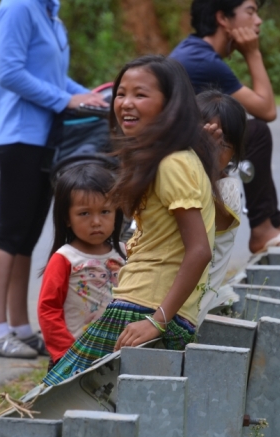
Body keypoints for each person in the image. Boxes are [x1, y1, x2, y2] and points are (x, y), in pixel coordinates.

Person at [43, 55, 220, 386]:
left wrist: (157, 321)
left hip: (144, 307)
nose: (125, 103)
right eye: (121, 93)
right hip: (151, 305)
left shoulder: (172, 163)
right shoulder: (179, 158)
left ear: (171, 105)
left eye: (141, 94)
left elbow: (200, 249)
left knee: (56, 394)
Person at [0, 0, 108, 359]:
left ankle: (20, 328)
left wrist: (90, 98)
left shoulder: (49, 11)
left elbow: (54, 78)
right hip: (20, 135)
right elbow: (10, 72)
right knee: (9, 233)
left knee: (27, 237)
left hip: (47, 138)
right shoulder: (19, 6)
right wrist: (66, 100)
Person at [169, 0, 280, 253]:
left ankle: (273, 223)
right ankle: (263, 229)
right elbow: (267, 110)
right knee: (256, 132)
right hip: (171, 153)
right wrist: (253, 53)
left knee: (246, 129)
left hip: (174, 145)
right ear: (223, 18)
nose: (258, 21)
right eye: (251, 12)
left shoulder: (195, 51)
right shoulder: (203, 60)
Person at [37, 163, 126, 372]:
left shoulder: (125, 252)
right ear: (67, 218)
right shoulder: (65, 258)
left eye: (105, 211)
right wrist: (67, 355)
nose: (96, 222)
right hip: (75, 359)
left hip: (118, 357)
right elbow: (48, 310)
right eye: (84, 214)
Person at [195, 90, 247, 324]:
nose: (212, 151)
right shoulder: (177, 174)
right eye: (205, 142)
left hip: (194, 306)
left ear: (235, 150)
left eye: (222, 144)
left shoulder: (228, 190)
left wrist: (199, 158)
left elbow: (199, 217)